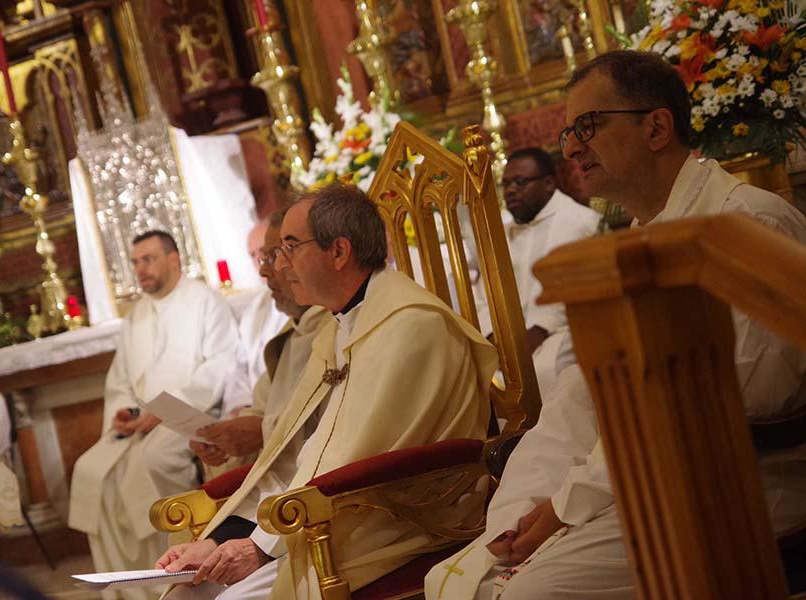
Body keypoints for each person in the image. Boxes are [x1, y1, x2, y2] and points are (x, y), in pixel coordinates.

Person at [427, 49, 806, 600]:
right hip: (646, 471)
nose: (573, 146)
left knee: (532, 596)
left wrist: (568, 504)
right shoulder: (639, 235)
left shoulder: (746, 221)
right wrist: (523, 507)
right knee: (461, 580)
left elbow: (727, 399)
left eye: (589, 125)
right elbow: (584, 395)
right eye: (568, 133)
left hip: (742, 477)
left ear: (656, 127)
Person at [158, 183, 496, 599]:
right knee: (185, 592)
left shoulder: (410, 327)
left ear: (338, 252)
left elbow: (357, 456)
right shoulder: (339, 328)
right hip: (322, 514)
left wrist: (259, 548)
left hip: (395, 520)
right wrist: (220, 538)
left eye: (290, 247)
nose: (279, 266)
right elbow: (300, 454)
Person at [68, 230, 239, 600]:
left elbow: (219, 366)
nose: (140, 269)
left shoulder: (205, 301)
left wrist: (163, 411)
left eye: (148, 259)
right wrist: (123, 412)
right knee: (90, 471)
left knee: (152, 461)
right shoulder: (136, 316)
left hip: (189, 415)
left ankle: (171, 577)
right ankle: (126, 589)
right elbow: (121, 378)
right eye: (135, 262)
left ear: (174, 259)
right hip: (142, 423)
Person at [192, 205, 331, 470]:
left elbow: (338, 422)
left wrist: (261, 431)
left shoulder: (339, 324)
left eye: (276, 254)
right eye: (260, 258)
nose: (265, 271)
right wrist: (227, 434)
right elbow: (260, 398)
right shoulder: (290, 329)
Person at [500, 147, 599, 396]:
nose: (511, 190)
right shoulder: (502, 231)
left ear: (548, 183)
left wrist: (538, 331)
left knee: (546, 372)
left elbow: (584, 289)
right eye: (506, 184)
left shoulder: (582, 223)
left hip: (564, 331)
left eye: (520, 182)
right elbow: (486, 291)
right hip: (512, 340)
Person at [221, 221, 289, 418]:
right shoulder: (254, 308)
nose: (260, 262)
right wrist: (239, 406)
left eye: (264, 251)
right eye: (253, 255)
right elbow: (239, 367)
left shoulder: (309, 301)